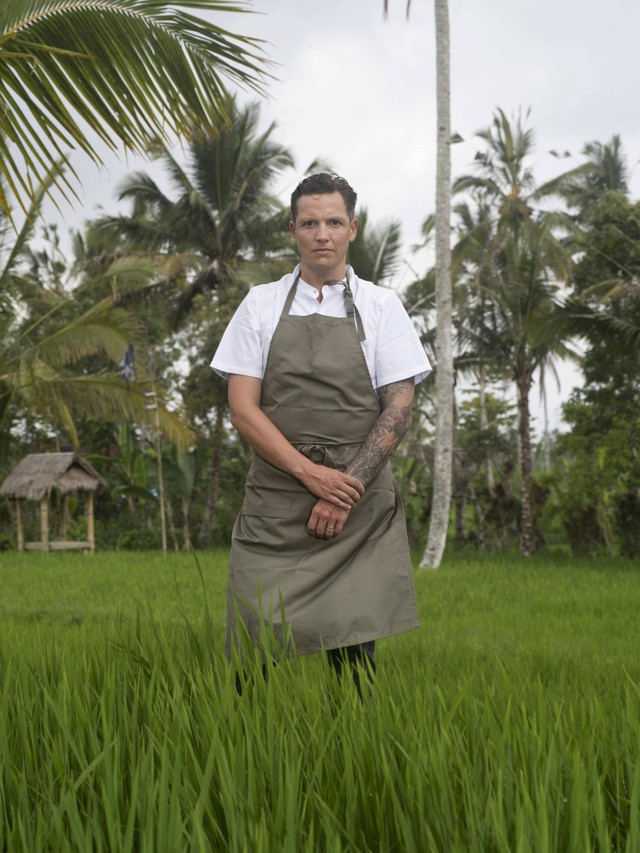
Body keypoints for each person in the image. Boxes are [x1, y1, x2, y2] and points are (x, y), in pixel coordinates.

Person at [211, 172, 431, 693]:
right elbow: (243, 409)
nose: (322, 234)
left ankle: (350, 758)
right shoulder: (260, 305)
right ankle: (250, 756)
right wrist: (312, 476)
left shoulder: (382, 307)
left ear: (352, 228)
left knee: (354, 653)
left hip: (356, 502)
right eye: (309, 223)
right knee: (253, 648)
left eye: (334, 222)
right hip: (277, 496)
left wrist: (343, 489)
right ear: (292, 230)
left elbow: (398, 408)